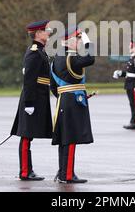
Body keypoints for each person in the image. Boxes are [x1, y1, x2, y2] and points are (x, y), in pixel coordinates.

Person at [50, 27, 95, 183]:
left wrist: (67, 95)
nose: (79, 42)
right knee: (70, 138)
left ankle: (63, 172)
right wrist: (89, 42)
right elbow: (90, 59)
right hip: (71, 102)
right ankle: (67, 175)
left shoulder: (57, 58)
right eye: (76, 39)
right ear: (65, 41)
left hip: (63, 100)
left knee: (64, 139)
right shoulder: (70, 57)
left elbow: (53, 86)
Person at [11, 20, 53, 181]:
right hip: (33, 99)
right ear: (38, 34)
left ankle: (28, 169)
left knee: (29, 136)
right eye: (45, 30)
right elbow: (29, 80)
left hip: (39, 97)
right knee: (26, 135)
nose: (48, 33)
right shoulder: (34, 52)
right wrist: (28, 103)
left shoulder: (40, 51)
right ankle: (24, 171)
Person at [113, 41, 135, 130]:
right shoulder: (132, 57)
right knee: (132, 104)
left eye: (132, 47)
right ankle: (133, 120)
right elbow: (129, 72)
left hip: (134, 83)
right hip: (129, 82)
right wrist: (120, 73)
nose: (130, 48)